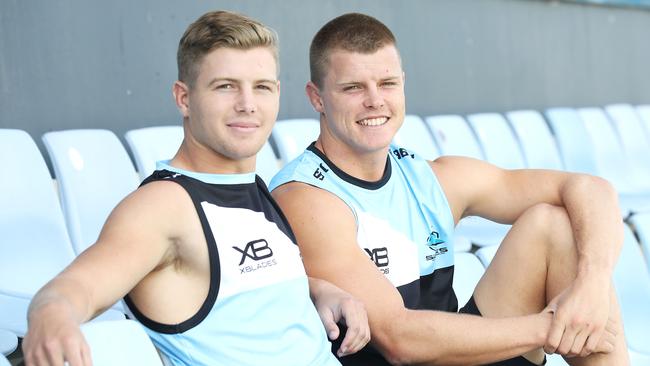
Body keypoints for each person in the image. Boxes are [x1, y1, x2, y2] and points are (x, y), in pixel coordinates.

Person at [270, 12, 629, 366]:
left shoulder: (431, 177)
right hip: (408, 356)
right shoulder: (306, 197)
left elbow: (590, 188)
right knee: (580, 311)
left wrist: (591, 288)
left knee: (555, 226)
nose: (375, 100)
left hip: (454, 355)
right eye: (353, 88)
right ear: (317, 98)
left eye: (387, 83)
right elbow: (400, 340)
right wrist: (553, 327)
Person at [22, 10, 370, 366]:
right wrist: (52, 316)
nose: (247, 104)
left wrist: (317, 289)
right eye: (225, 86)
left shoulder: (249, 184)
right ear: (184, 99)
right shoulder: (164, 206)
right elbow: (76, 288)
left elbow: (240, 283)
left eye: (261, 87)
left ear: (277, 93)